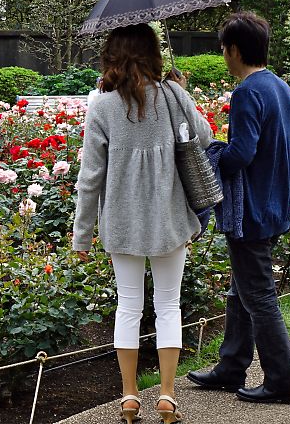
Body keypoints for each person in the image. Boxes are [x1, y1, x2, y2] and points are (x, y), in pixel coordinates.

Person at [73, 23, 212, 424]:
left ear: (111, 56)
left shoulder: (101, 106)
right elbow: (204, 136)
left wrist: (81, 236)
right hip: (170, 220)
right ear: (153, 53)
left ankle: (130, 397)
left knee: (128, 307)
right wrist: (181, 91)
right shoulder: (171, 94)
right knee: (169, 305)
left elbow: (90, 178)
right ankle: (167, 396)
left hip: (121, 224)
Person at [187, 12, 290, 404]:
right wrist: (277, 147)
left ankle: (282, 382)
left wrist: (209, 160)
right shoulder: (278, 84)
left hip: (252, 210)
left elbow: (239, 154)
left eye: (224, 48)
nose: (223, 55)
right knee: (239, 289)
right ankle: (231, 366)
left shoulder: (246, 92)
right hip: (277, 204)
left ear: (235, 50)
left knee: (258, 295)